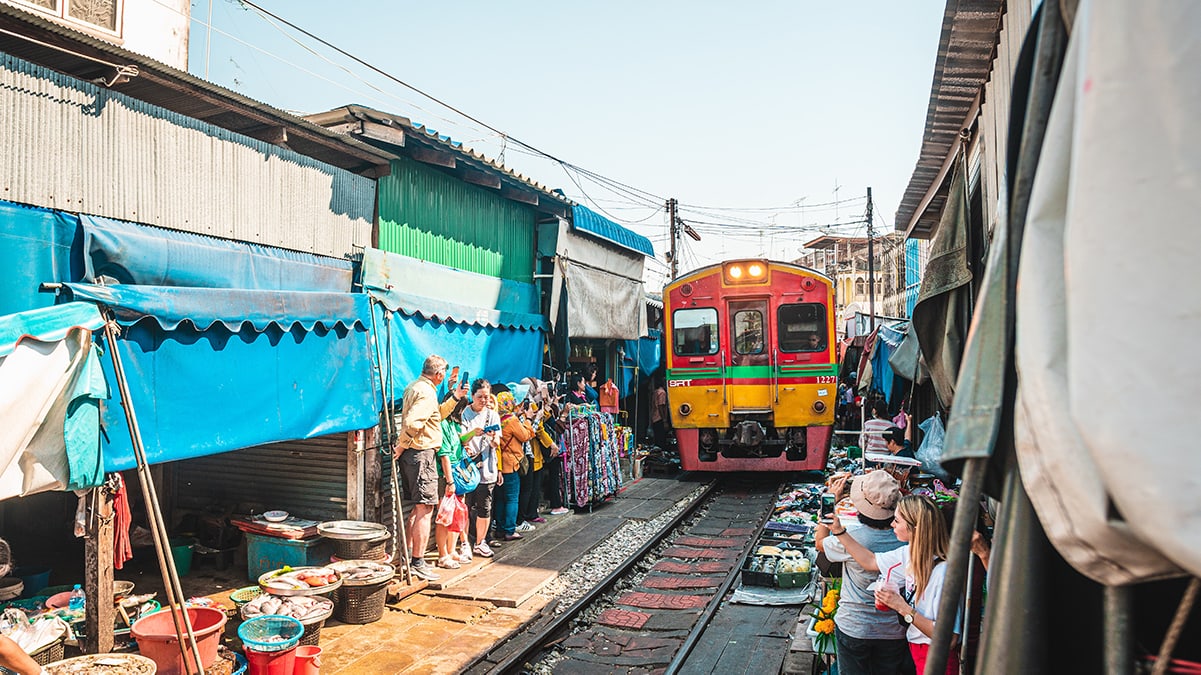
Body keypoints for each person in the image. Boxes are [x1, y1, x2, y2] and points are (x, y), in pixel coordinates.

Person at [828, 495, 960, 675]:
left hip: (936, 657)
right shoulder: (909, 553)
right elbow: (870, 561)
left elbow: (949, 638)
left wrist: (901, 607)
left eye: (897, 521)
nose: (891, 525)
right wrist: (838, 531)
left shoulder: (943, 574)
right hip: (916, 648)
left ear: (915, 528)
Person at [816, 471, 912, 675]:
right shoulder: (907, 539)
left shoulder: (851, 538)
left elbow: (819, 543)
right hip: (894, 630)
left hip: (855, 626)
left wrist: (830, 502)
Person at [394, 354, 468, 582]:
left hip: (415, 454)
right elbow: (412, 423)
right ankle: (418, 561)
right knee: (425, 509)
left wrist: (456, 397)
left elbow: (435, 416)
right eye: (444, 373)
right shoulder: (426, 392)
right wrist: (402, 445)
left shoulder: (416, 387)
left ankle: (410, 558)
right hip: (421, 453)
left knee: (419, 509)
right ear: (439, 374)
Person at [462, 379, 501, 558]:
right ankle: (464, 543)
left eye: (486, 397)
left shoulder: (493, 415)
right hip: (467, 469)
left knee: (485, 507)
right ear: (472, 396)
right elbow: (461, 440)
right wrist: (473, 433)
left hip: (487, 468)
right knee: (465, 506)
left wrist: (492, 438)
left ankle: (480, 542)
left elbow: (497, 443)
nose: (484, 400)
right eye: (480, 397)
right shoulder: (464, 413)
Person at [435, 395, 473, 569]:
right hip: (447, 476)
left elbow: (457, 446)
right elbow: (444, 456)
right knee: (445, 516)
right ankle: (443, 555)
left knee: (457, 514)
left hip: (456, 474)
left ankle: (451, 550)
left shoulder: (454, 425)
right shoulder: (443, 424)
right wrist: (450, 482)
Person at [495, 391, 536, 541]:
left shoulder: (497, 418)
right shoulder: (511, 420)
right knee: (512, 498)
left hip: (500, 465)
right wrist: (528, 420)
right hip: (511, 464)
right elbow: (526, 436)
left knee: (500, 499)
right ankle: (510, 530)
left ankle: (500, 528)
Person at [649, 376, 670, 450]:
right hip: (659, 418)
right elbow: (661, 406)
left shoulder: (655, 392)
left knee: (657, 438)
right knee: (661, 438)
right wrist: (664, 420)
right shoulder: (662, 393)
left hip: (654, 417)